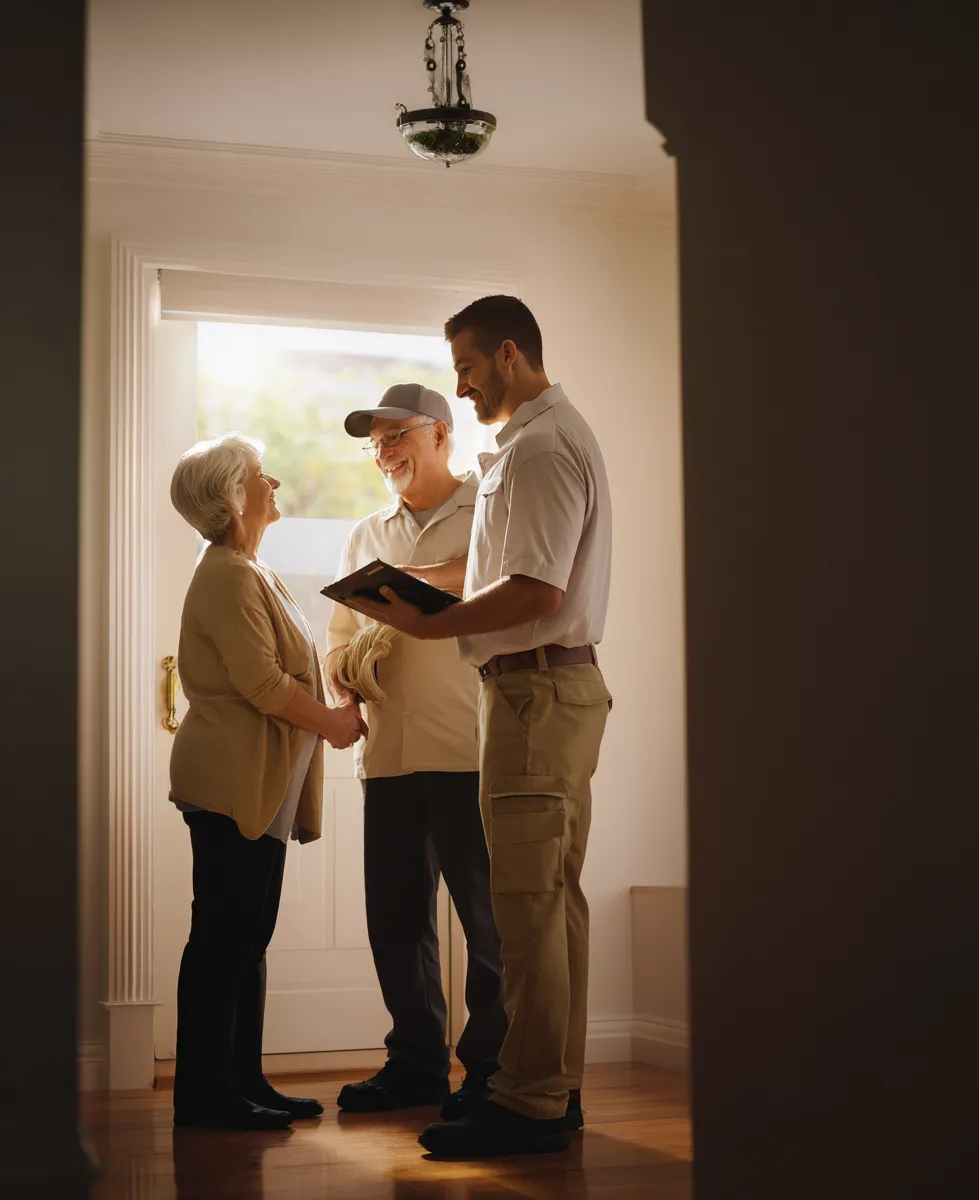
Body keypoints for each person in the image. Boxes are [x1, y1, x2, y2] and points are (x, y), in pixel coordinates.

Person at [344, 297, 613, 1158]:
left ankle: (529, 1099)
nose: (459, 384)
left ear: (507, 354)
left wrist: (424, 624)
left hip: (534, 693)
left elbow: (537, 591)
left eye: (465, 364)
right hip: (537, 694)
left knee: (526, 912)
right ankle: (543, 1089)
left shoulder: (537, 447)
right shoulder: (535, 444)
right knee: (546, 907)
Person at [168, 432, 366, 1130]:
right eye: (259, 475)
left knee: (245, 937)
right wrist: (333, 725)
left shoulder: (249, 568)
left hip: (258, 787)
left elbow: (289, 672)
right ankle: (203, 1094)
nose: (274, 481)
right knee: (224, 937)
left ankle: (239, 1080)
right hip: (229, 783)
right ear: (230, 497)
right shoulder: (225, 572)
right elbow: (261, 683)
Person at [326, 383, 507, 1116]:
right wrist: (344, 684)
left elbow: (507, 594)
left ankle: (495, 1072)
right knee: (396, 920)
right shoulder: (364, 534)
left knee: (488, 922)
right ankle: (416, 1065)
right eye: (374, 443)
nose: (383, 452)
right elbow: (337, 641)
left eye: (396, 436)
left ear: (440, 434)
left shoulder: (490, 512)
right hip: (391, 760)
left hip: (471, 750)